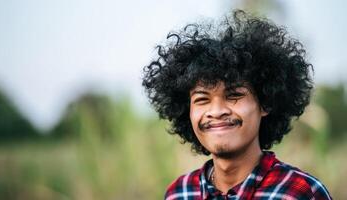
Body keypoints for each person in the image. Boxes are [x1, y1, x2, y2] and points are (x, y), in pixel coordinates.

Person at [142, 10, 332, 200]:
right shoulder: (179, 193)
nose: (216, 111)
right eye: (202, 99)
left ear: (265, 103)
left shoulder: (300, 192)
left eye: (233, 95)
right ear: (187, 110)